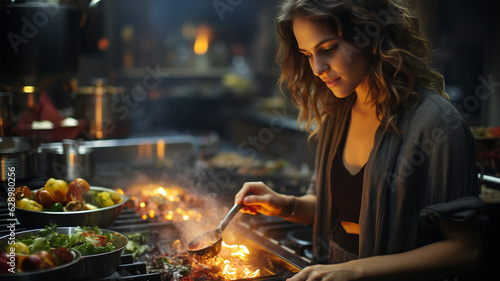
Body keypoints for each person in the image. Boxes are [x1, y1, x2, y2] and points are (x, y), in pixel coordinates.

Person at [234, 0, 488, 280]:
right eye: (307, 54)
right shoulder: (337, 113)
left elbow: (465, 250)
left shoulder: (436, 122)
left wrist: (355, 270)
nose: (317, 68)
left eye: (328, 49)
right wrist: (284, 204)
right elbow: (336, 207)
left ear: (370, 36)